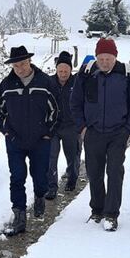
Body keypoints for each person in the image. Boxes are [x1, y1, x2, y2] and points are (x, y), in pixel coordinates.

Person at [71, 38, 130, 231]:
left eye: (108, 58)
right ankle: (97, 210)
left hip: (117, 133)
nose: (104, 62)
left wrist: (128, 129)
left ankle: (111, 214)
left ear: (115, 57)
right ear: (96, 57)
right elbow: (75, 102)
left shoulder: (127, 74)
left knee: (114, 172)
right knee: (94, 173)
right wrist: (83, 128)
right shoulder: (86, 74)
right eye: (101, 58)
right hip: (93, 133)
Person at [0, 46, 59, 236]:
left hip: (40, 141)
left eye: (22, 64)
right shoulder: (6, 85)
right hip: (15, 142)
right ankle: (19, 216)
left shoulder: (44, 82)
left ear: (29, 61)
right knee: (17, 177)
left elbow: (56, 109)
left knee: (40, 176)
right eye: (15, 66)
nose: (19, 69)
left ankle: (39, 197)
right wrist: (7, 132)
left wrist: (48, 132)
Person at [46, 51, 80, 197]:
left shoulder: (77, 83)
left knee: (72, 156)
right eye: (60, 70)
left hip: (71, 126)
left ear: (70, 70)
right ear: (56, 69)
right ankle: (51, 187)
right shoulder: (49, 82)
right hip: (53, 126)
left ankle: (72, 179)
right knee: (50, 157)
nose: (63, 73)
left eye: (66, 70)